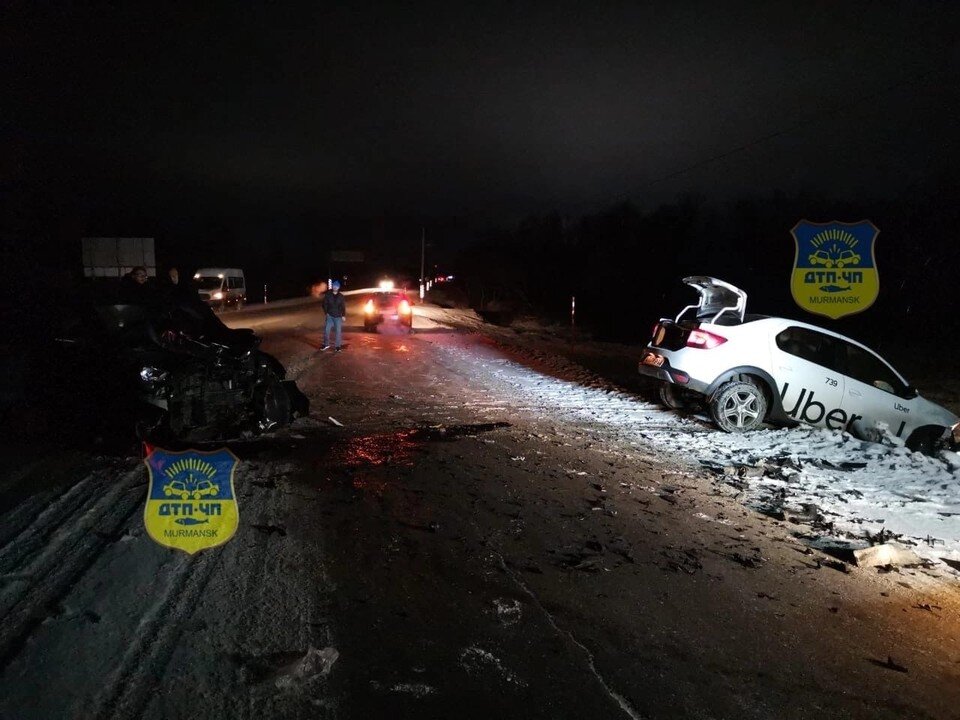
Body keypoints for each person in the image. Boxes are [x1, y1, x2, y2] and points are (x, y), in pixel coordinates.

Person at [321, 280, 346, 351]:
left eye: (337, 286)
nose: (335, 287)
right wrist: (326, 313)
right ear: (332, 286)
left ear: (338, 287)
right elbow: (324, 304)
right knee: (326, 330)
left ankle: (337, 346)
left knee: (338, 332)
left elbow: (343, 306)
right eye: (334, 286)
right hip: (330, 316)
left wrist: (343, 315)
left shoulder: (341, 296)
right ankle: (326, 344)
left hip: (338, 317)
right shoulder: (328, 295)